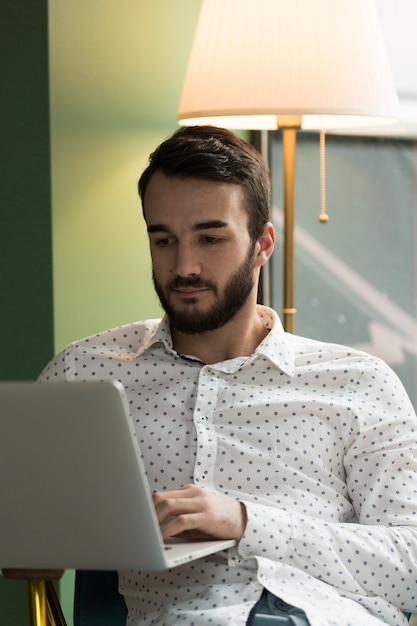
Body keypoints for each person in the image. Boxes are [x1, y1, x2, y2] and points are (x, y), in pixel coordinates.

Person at [38, 126, 417, 626]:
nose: (184, 265)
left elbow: (410, 564)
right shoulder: (84, 374)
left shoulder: (358, 382)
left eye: (210, 238)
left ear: (263, 243)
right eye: (164, 239)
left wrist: (244, 522)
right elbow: (28, 529)